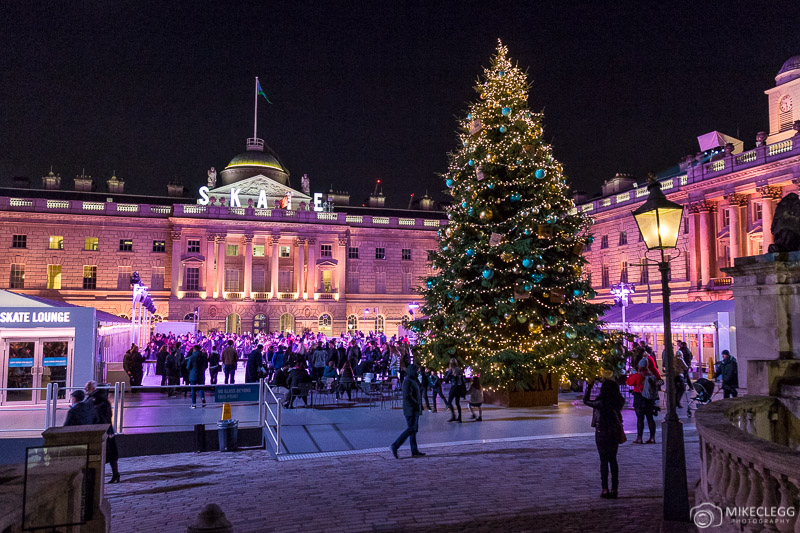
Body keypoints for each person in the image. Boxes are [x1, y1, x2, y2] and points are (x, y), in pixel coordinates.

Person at [583, 378, 625, 499]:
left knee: (603, 460)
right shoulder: (618, 401)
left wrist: (589, 387)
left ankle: (605, 488)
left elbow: (586, 401)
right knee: (613, 460)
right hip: (614, 431)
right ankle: (615, 489)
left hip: (602, 432)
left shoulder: (600, 402)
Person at [85, 381, 120, 483]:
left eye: (87, 388)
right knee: (110, 454)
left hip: (102, 430)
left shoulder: (97, 400)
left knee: (106, 453)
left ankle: (111, 475)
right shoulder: (99, 399)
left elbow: (104, 416)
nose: (86, 391)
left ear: (92, 389)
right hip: (105, 429)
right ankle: (115, 474)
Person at [390, 363, 426, 459]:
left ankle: (414, 450)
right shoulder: (408, 381)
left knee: (414, 430)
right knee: (411, 429)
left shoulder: (414, 380)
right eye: (416, 371)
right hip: (411, 409)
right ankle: (396, 445)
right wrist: (416, 404)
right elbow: (407, 395)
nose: (418, 372)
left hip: (414, 408)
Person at [626, 358, 657, 444]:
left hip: (639, 398)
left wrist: (631, 374)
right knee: (650, 418)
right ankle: (652, 438)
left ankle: (639, 438)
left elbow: (629, 382)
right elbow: (659, 382)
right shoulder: (651, 374)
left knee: (640, 419)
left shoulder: (638, 375)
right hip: (649, 399)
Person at [444, 358, 466, 422]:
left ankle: (453, 416)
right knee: (457, 403)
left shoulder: (450, 370)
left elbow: (446, 379)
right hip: (459, 388)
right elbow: (462, 379)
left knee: (449, 402)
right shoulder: (459, 369)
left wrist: (446, 372)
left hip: (454, 387)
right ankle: (459, 418)